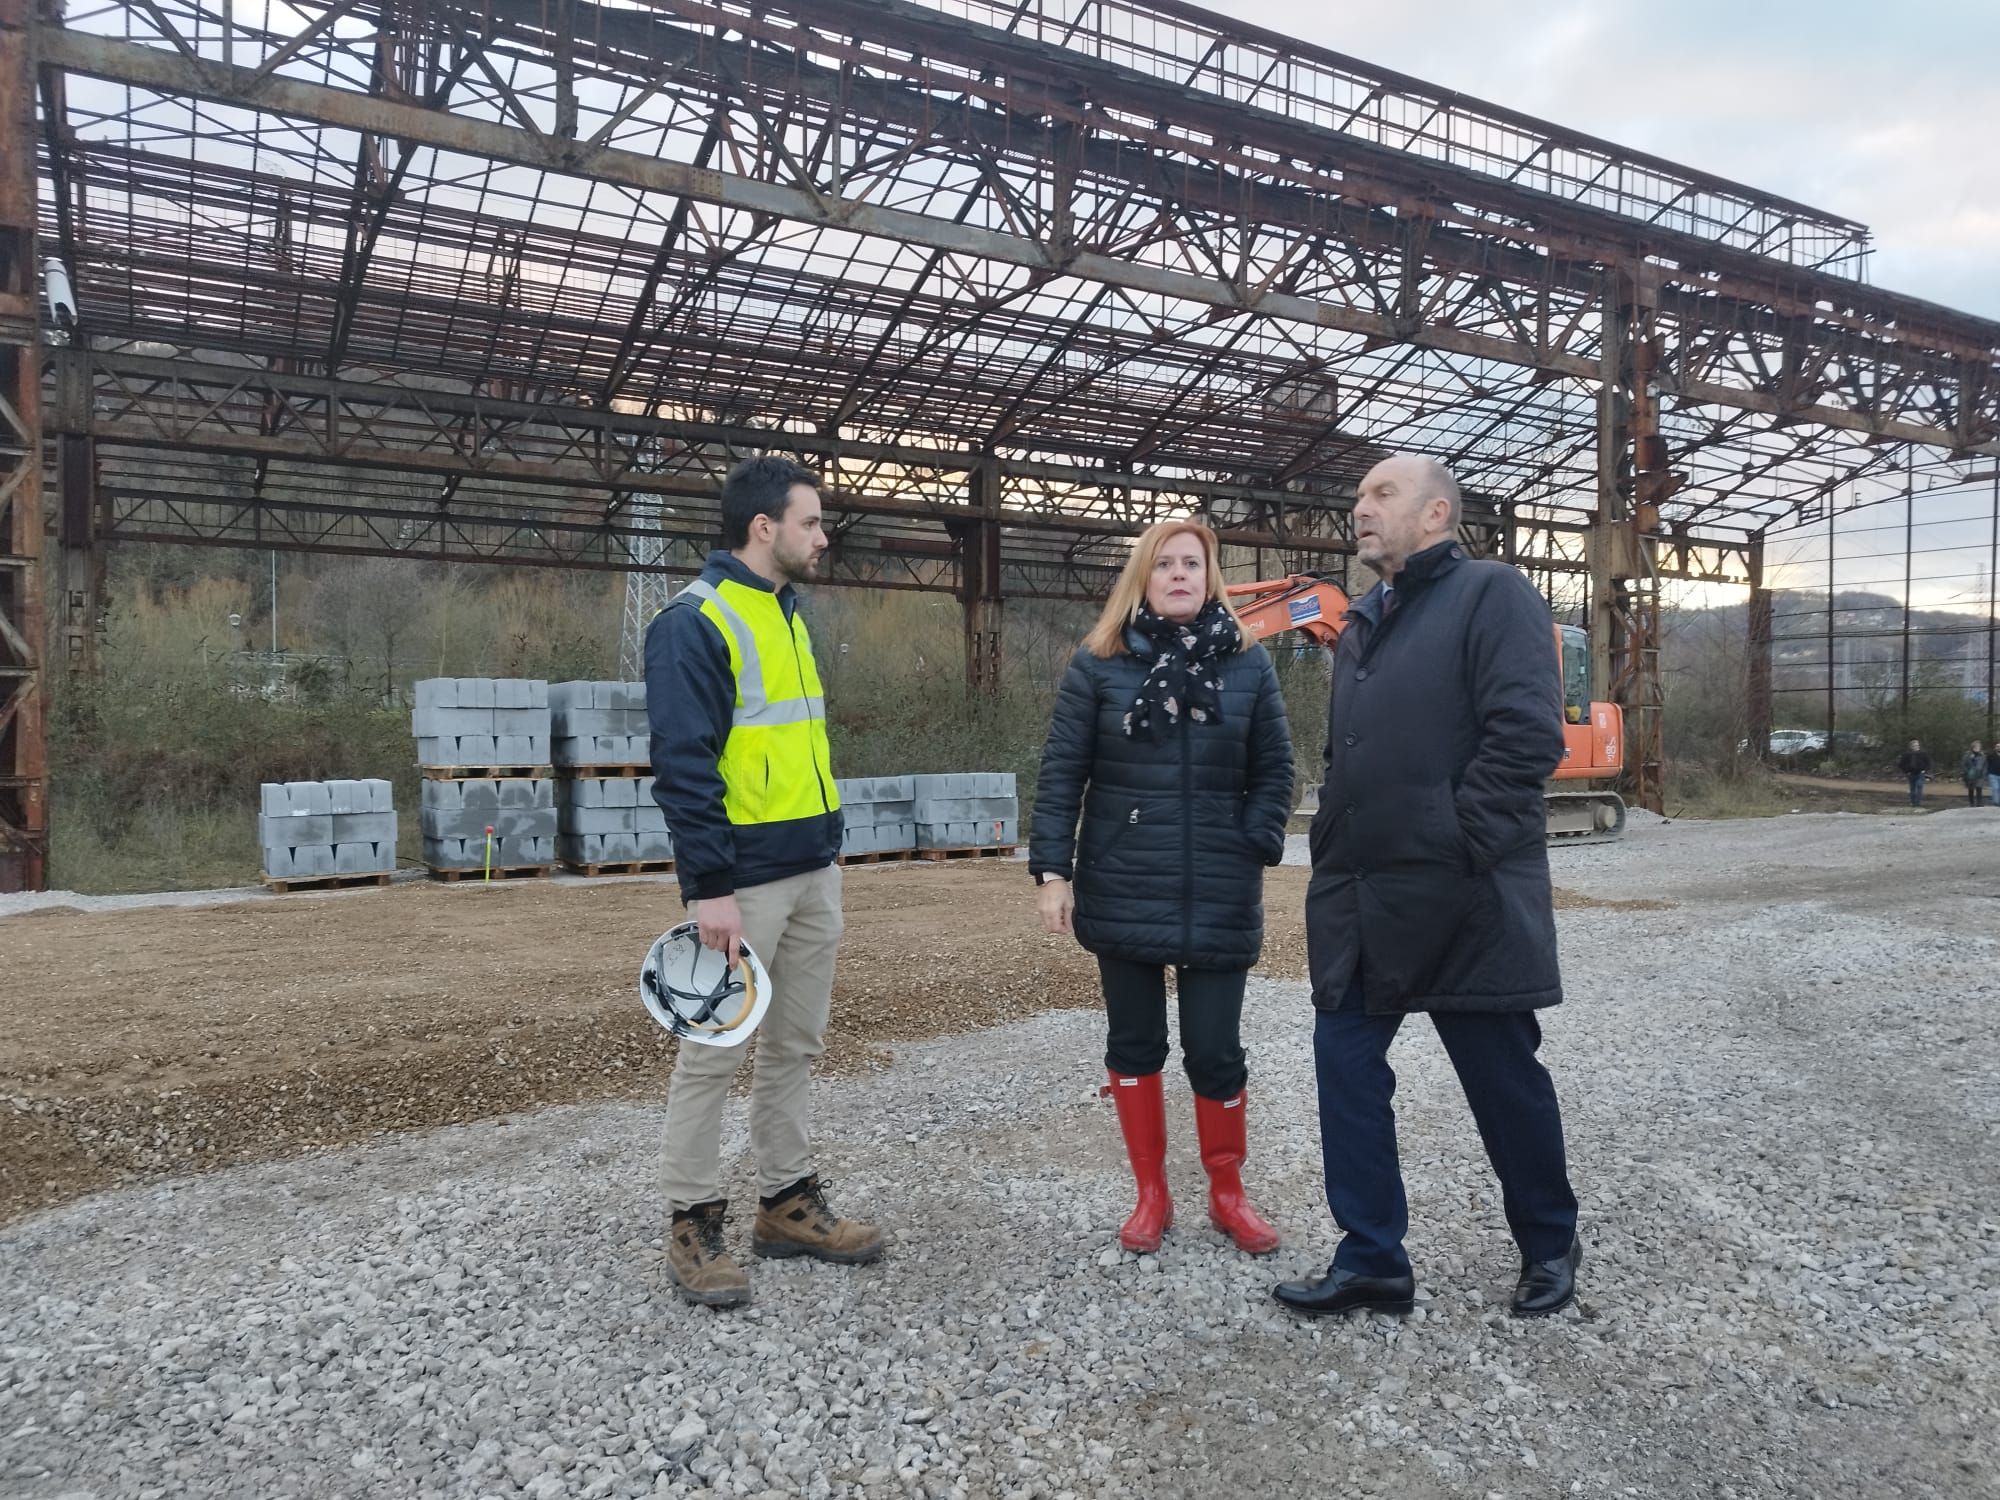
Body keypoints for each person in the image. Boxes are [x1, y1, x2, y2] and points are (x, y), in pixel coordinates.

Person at [1274, 453, 1581, 1321]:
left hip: (1464, 899)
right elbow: (1351, 753)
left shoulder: (1493, 595)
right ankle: (1372, 1257)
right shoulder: (1364, 619)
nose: (1359, 508)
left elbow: (1526, 739)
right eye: (1358, 492)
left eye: (1381, 494)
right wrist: (1334, 823)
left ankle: (1550, 1240)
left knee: (1499, 1077)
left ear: (1437, 513)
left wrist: (1456, 841)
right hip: (1362, 894)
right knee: (1345, 1065)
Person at [646, 455, 882, 1308]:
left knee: (795, 1045)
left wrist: (829, 845)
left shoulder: (785, 615)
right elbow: (683, 767)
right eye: (812, 522)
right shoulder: (694, 622)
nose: (822, 537)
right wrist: (708, 888)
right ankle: (692, 1221)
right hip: (742, 885)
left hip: (812, 872)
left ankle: (785, 1203)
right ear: (763, 528)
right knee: (713, 1053)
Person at [1030, 519, 1296, 1256]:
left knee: (1216, 1052)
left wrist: (1254, 838)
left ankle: (1228, 1193)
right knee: (1135, 1043)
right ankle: (1151, 1195)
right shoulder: (1098, 666)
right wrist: (1055, 873)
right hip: (1124, 883)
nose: (1180, 575)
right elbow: (1061, 775)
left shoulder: (1248, 665)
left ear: (1210, 578)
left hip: (1218, 886)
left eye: (1193, 564)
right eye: (1165, 564)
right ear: (1141, 578)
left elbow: (1278, 769)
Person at [1896, 739, 1931, 809]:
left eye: (1917, 745)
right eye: (1915, 745)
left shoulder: (1923, 754)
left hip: (1920, 773)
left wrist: (1924, 770)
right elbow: (1901, 765)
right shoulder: (1906, 755)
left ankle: (1917, 803)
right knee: (1912, 789)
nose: (1917, 747)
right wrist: (1906, 771)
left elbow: (1929, 763)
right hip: (1911, 774)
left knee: (1919, 785)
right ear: (1911, 747)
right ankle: (1913, 803)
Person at [1961, 742, 1987, 808]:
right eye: (1976, 747)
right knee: (1971, 790)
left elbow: (1985, 765)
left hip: (1980, 775)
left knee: (1979, 789)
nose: (1978, 748)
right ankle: (1971, 803)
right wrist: (1966, 772)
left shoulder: (1982, 755)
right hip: (1970, 775)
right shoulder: (1967, 755)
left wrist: (1984, 773)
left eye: (1979, 747)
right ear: (1973, 747)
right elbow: (1963, 764)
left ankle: (1979, 803)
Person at [1987, 743, 2000, 808]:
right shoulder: (1991, 755)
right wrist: (1988, 772)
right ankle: (1996, 802)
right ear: (1995, 748)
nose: (1999, 748)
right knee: (1995, 788)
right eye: (1997, 746)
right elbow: (1987, 764)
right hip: (1993, 775)